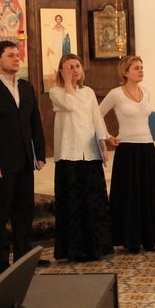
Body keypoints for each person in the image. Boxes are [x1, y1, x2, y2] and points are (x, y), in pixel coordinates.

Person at [0, 41, 48, 273]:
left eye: (18, 55)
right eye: (11, 55)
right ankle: (0, 258)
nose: (17, 59)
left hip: (25, 159)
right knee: (0, 212)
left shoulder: (26, 87)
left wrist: (39, 152)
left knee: (24, 210)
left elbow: (35, 121)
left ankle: (23, 255)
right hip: (1, 163)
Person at [99, 55, 155, 254]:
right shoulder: (115, 94)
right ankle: (131, 239)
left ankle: (149, 237)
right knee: (129, 195)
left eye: (141, 67)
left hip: (147, 147)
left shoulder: (146, 92)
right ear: (125, 72)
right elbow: (97, 114)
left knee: (147, 192)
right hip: (127, 148)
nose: (140, 70)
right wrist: (108, 136)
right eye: (136, 68)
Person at [49, 54, 113, 261]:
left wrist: (103, 145)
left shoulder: (89, 92)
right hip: (69, 153)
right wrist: (66, 82)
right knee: (73, 202)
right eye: (69, 67)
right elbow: (70, 104)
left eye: (77, 66)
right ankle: (73, 250)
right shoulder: (56, 92)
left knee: (93, 201)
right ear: (60, 71)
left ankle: (97, 246)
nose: (74, 70)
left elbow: (97, 119)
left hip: (90, 152)